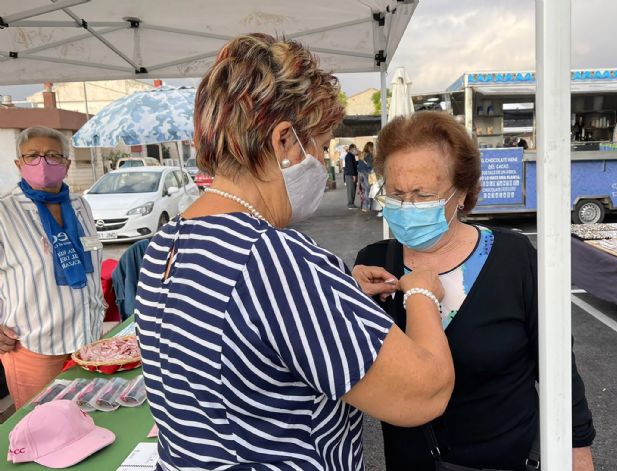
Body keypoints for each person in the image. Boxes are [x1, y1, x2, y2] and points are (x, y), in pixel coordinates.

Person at [134, 34, 454, 471]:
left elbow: (243, 342)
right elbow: (424, 392)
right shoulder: (272, 259)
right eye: (319, 146)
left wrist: (333, 293)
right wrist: (422, 296)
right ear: (284, 141)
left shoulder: (166, 243)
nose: (321, 163)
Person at [353, 112, 596, 471]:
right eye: (396, 194)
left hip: (511, 460)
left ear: (462, 192)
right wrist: (344, 298)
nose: (406, 207)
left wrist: (577, 449)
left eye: (423, 195)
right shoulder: (374, 264)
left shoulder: (514, 258)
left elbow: (558, 362)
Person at [0, 126, 103, 409]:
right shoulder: (5, 212)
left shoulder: (80, 204)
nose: (42, 163)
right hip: (35, 346)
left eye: (53, 156)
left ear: (67, 164)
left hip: (88, 340)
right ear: (18, 164)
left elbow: (92, 258)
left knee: (91, 419)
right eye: (32, 156)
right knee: (44, 427)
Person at [357, 141, 375, 212]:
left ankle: (364, 206)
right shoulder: (369, 155)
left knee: (364, 190)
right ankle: (367, 206)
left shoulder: (362, 154)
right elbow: (370, 165)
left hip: (360, 173)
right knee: (368, 190)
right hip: (366, 173)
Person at [344, 143, 358, 208]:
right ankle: (350, 204)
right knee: (351, 189)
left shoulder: (351, 155)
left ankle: (352, 203)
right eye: (355, 148)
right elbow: (350, 166)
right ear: (352, 149)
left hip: (351, 174)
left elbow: (354, 164)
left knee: (353, 189)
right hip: (350, 175)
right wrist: (353, 175)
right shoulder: (349, 156)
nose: (356, 150)